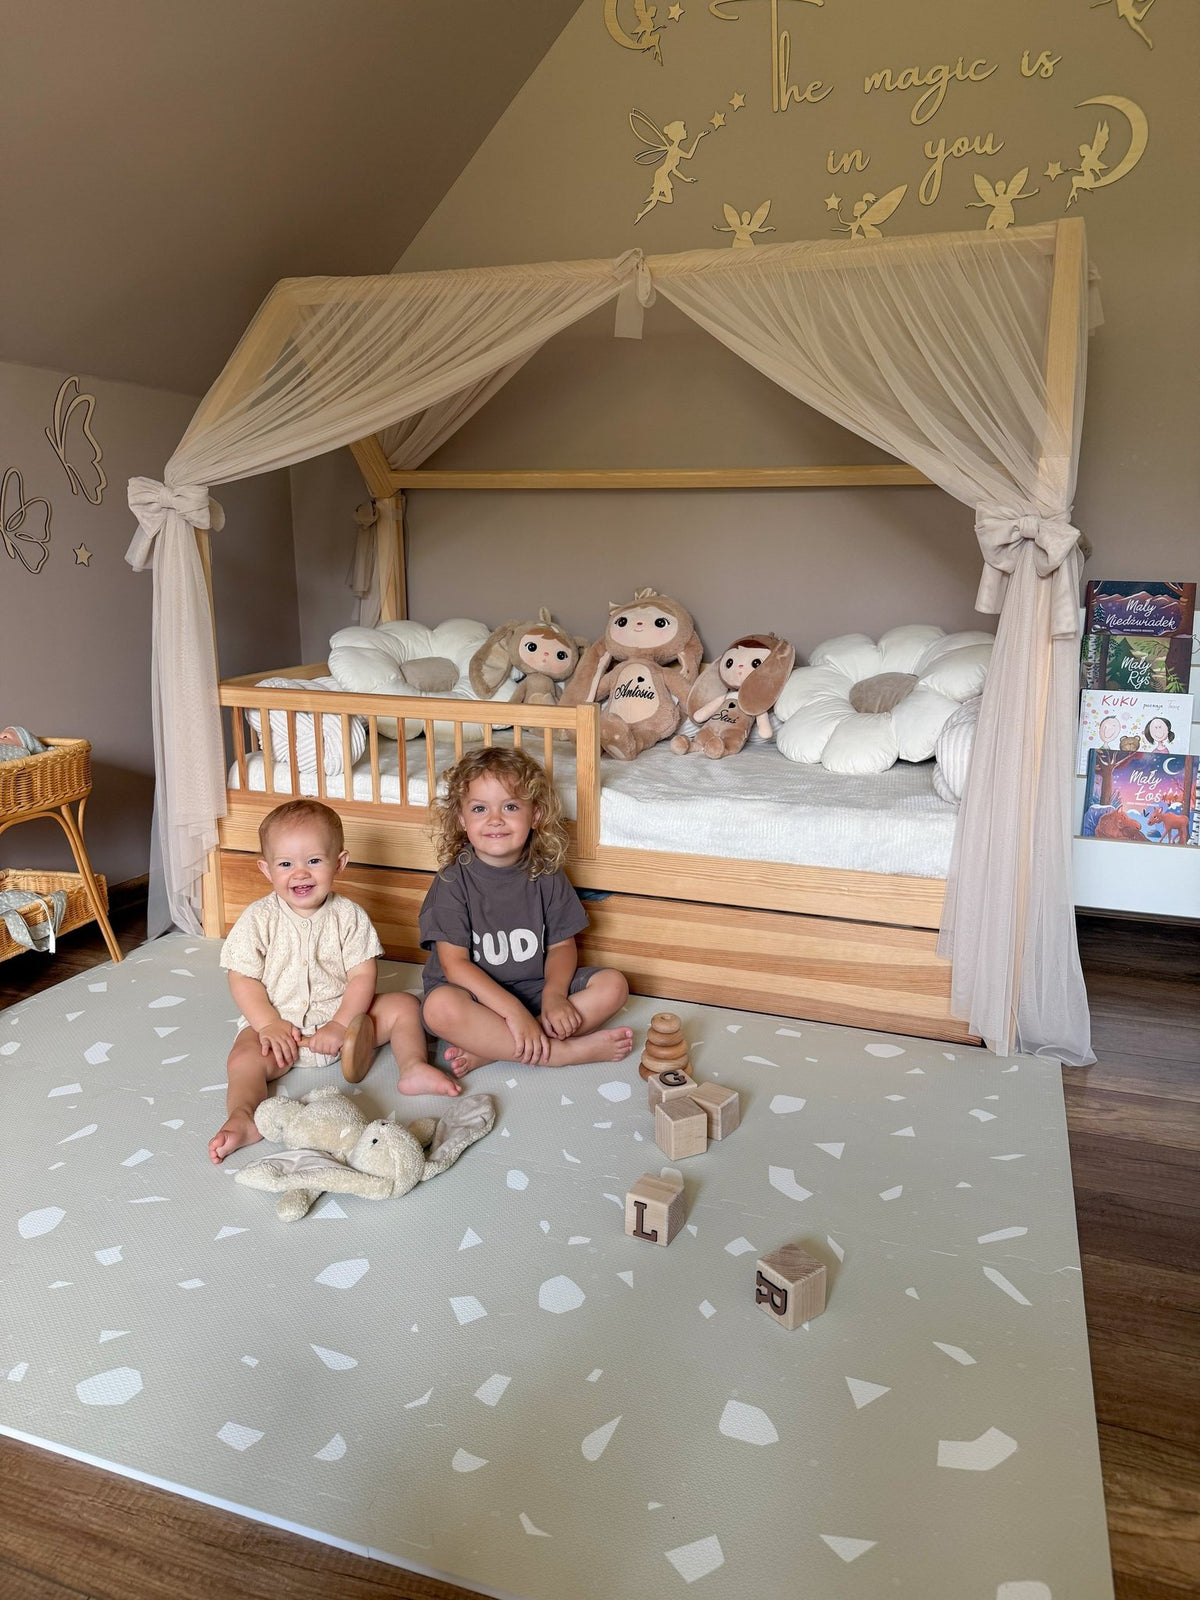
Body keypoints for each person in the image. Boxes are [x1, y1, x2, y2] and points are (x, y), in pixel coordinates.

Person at [208, 799, 456, 1165]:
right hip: (280, 1031)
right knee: (244, 1057)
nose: (300, 873)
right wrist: (268, 1024)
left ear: (339, 862)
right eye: (286, 864)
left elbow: (361, 975)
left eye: (314, 861)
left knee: (405, 1006)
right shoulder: (258, 918)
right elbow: (242, 976)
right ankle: (244, 1116)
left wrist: (341, 1023)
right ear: (266, 869)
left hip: (348, 1025)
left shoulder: (349, 916)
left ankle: (413, 1066)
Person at [420, 747, 633, 1075]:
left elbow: (562, 946)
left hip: (536, 987)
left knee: (614, 985)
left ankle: (493, 1048)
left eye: (510, 806)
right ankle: (560, 1053)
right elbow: (455, 965)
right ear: (462, 820)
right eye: (479, 808)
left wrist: (554, 995)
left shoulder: (546, 872)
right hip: (476, 998)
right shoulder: (452, 880)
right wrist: (512, 1013)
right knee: (438, 1009)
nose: (495, 819)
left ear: (534, 814)